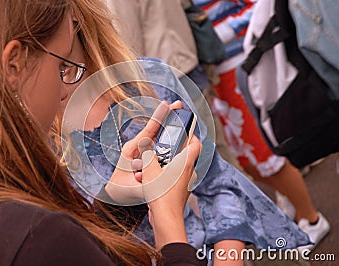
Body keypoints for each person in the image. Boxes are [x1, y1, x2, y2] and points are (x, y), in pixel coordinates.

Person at [0, 0, 206, 265]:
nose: (64, 89)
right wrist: (169, 224)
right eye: (61, 67)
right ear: (13, 65)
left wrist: (114, 204)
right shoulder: (37, 234)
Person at [58, 1, 311, 266]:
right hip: (181, 62)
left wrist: (225, 255)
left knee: (246, 154)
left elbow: (218, 183)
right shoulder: (30, 146)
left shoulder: (149, 80)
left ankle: (308, 216)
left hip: (196, 252)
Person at [193, 0, 330, 252]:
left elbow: (261, 7)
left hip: (244, 63)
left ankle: (311, 218)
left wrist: (222, 31)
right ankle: (290, 200)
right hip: (217, 73)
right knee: (246, 157)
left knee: (264, 153)